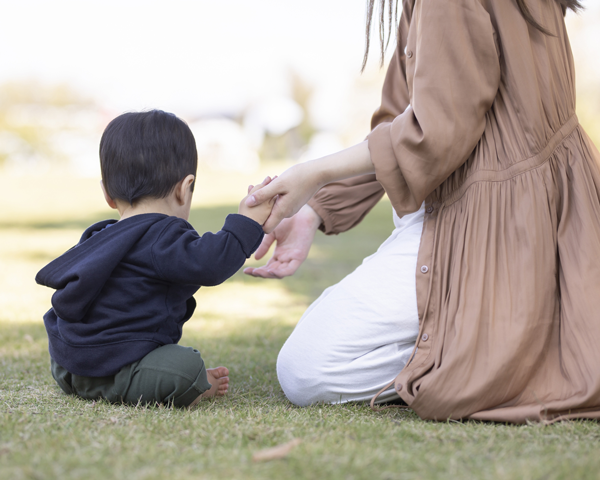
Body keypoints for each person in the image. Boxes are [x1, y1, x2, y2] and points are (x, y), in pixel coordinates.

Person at [244, 0, 600, 423]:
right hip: (540, 209)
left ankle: (495, 351)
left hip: (496, 219)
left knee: (307, 369)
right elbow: (400, 116)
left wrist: (312, 173)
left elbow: (436, 130)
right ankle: (496, 337)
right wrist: (314, 211)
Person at [36, 110, 274, 408]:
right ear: (184, 189)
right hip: (121, 364)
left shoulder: (101, 233)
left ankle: (86, 382)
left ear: (108, 194)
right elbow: (210, 263)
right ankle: (129, 385)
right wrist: (247, 222)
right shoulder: (162, 234)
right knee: (187, 367)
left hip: (68, 365)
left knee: (169, 361)